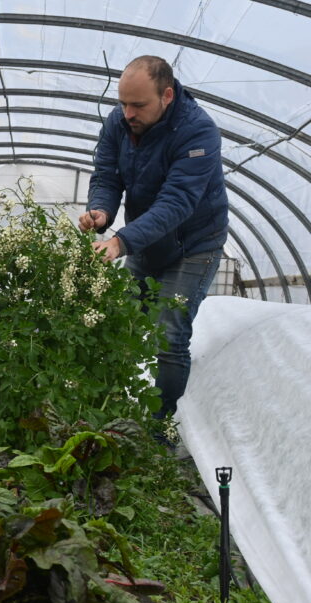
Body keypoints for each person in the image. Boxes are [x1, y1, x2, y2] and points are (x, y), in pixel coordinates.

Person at [79, 55, 229, 423]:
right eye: (123, 103)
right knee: (121, 322)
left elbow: (177, 202)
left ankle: (160, 426)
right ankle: (108, 415)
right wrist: (102, 211)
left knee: (169, 334)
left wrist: (121, 241)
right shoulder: (120, 121)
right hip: (147, 239)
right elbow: (106, 174)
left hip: (195, 244)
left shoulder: (198, 131)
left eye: (138, 104)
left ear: (167, 95)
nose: (127, 112)